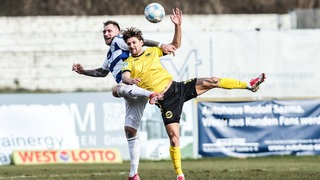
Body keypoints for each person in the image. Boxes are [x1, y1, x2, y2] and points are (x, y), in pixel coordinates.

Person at [121, 8, 266, 180]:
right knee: (174, 139)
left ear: (141, 42)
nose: (132, 46)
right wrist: (130, 81)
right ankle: (180, 175)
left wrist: (178, 26)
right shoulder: (128, 62)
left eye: (134, 43)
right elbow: (125, 76)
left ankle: (249, 86)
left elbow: (175, 45)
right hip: (166, 101)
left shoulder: (153, 51)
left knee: (212, 81)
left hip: (178, 88)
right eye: (129, 44)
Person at [72, 20, 176, 180]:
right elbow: (102, 72)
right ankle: (133, 174)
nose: (106, 34)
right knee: (130, 130)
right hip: (134, 91)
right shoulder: (110, 53)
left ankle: (150, 95)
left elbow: (142, 41)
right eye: (104, 32)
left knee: (116, 90)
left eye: (109, 31)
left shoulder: (119, 40)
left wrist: (161, 44)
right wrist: (83, 71)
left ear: (118, 32)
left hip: (135, 85)